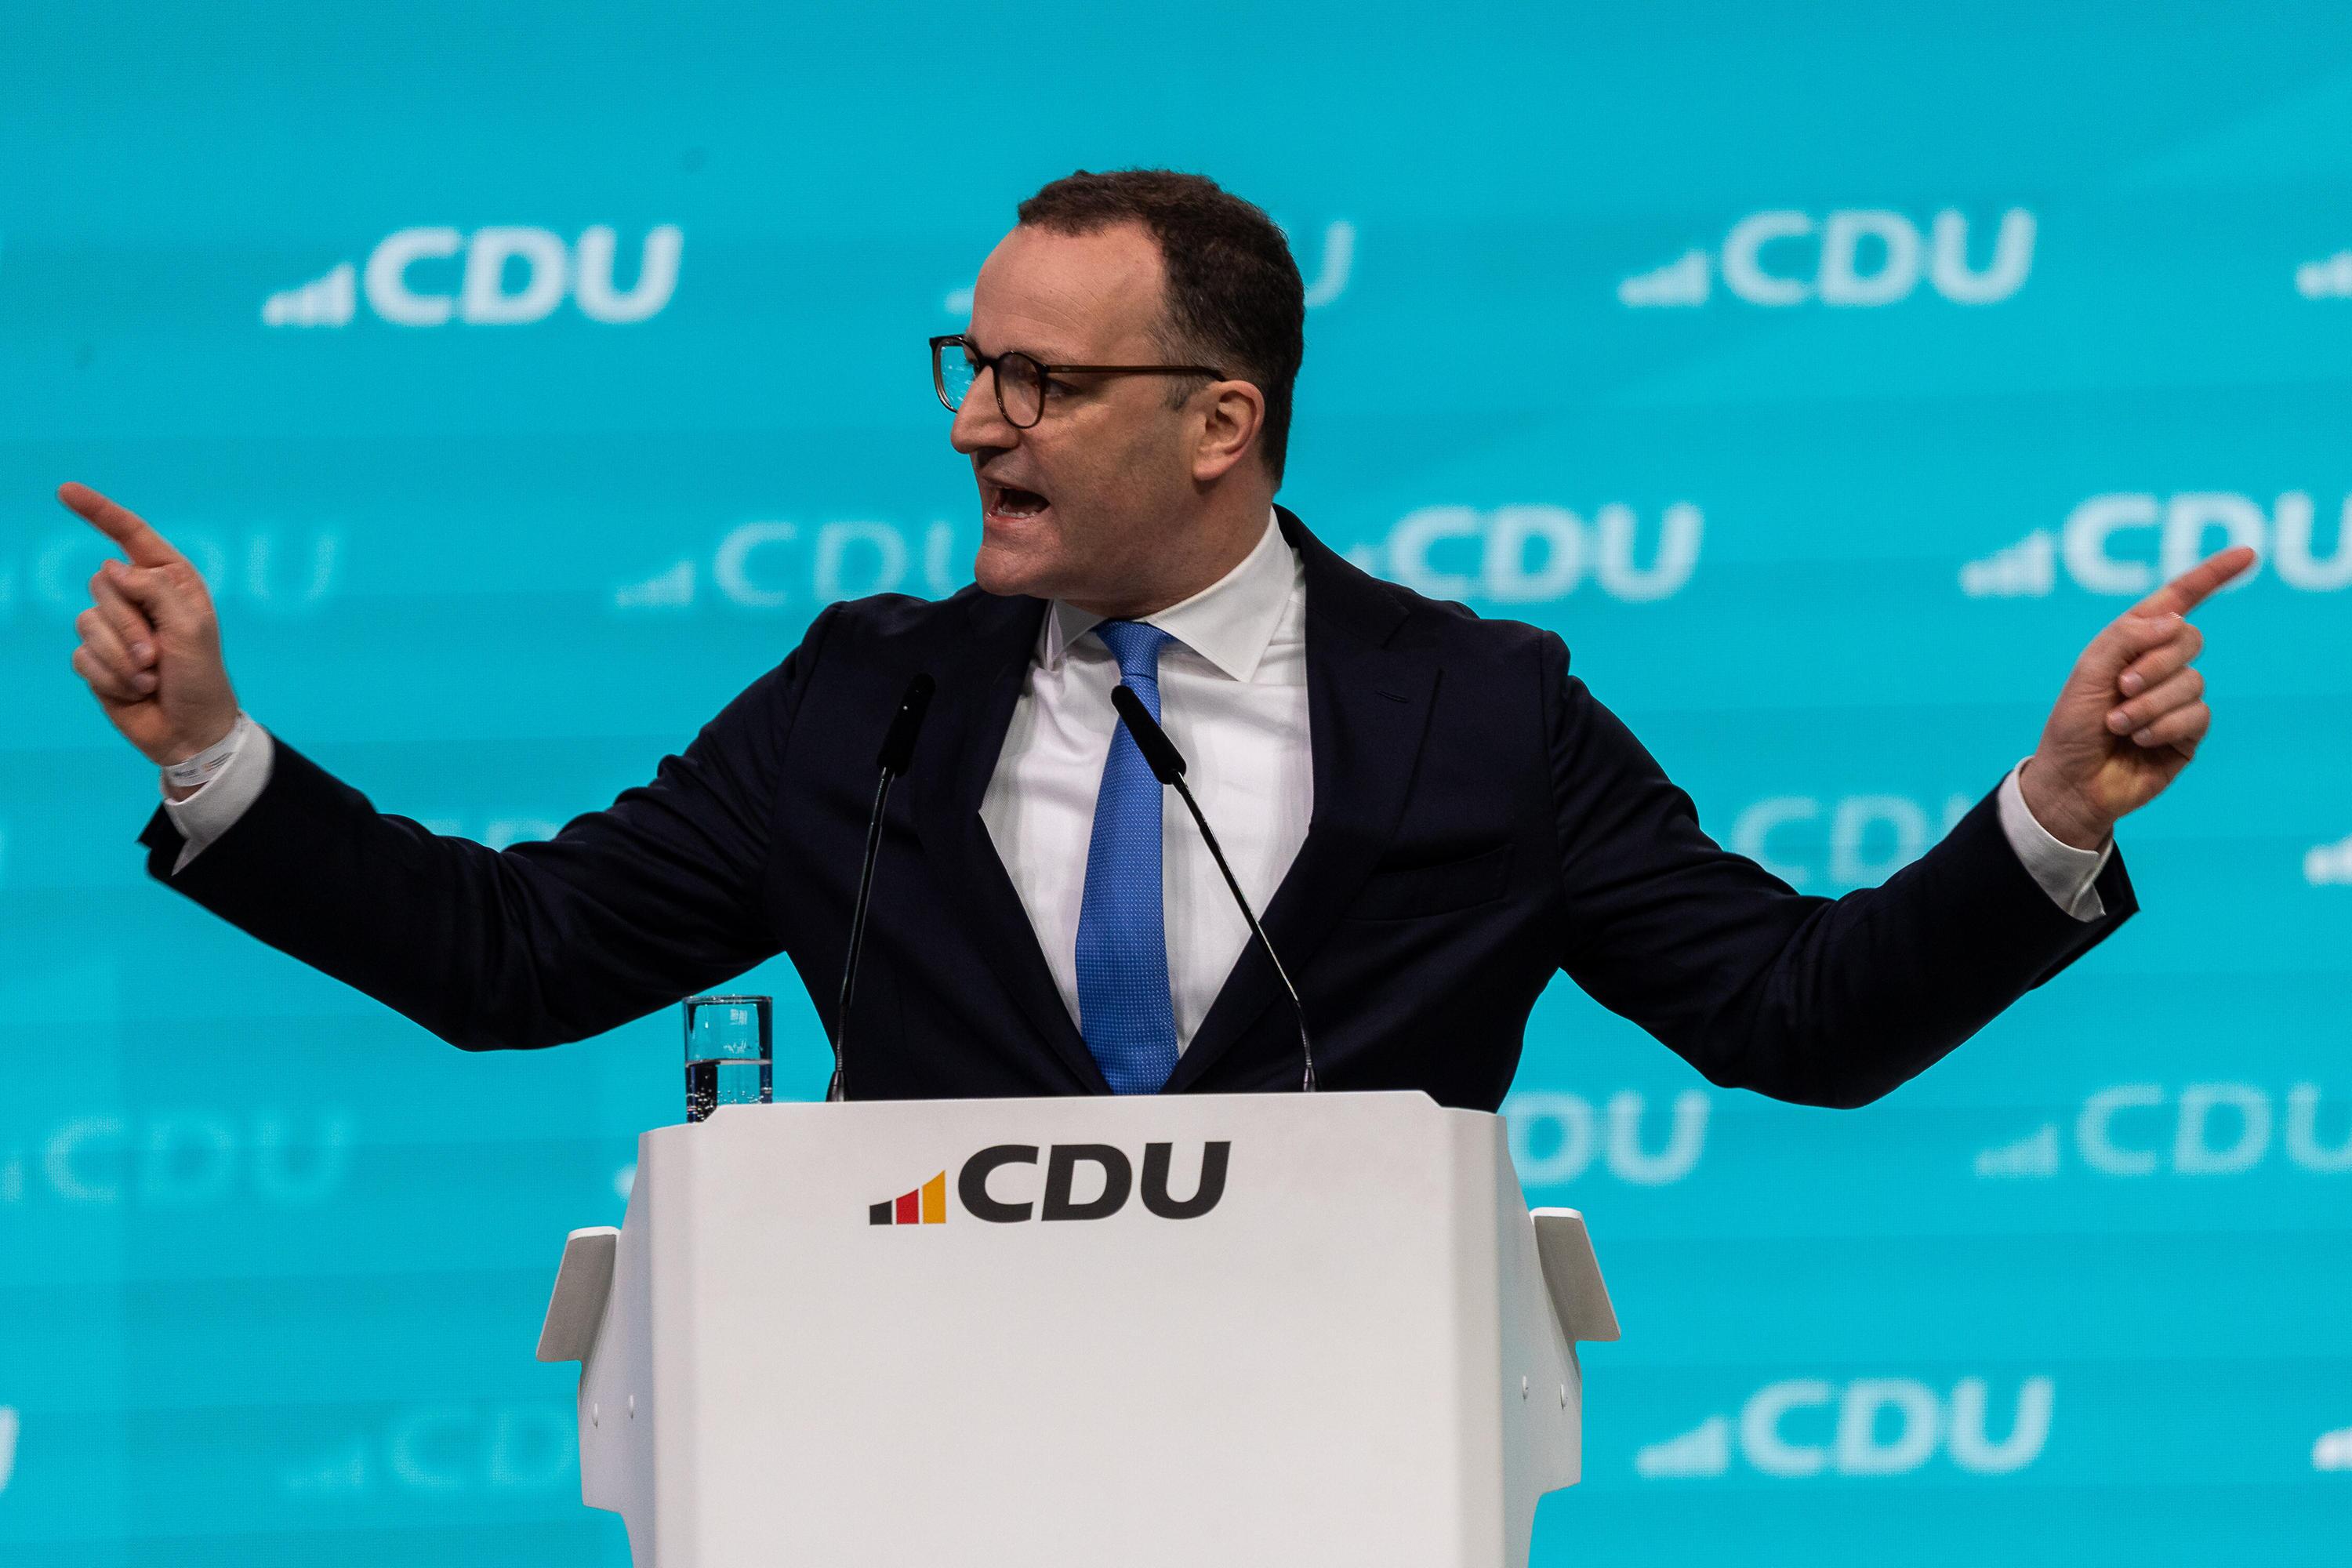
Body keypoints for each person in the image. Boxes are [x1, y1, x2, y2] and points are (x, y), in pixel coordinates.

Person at [58, 169, 2251, 1109]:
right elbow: (512, 960)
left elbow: (1798, 1015)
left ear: (1222, 423)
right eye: (970, 364)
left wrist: (2051, 816)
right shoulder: (864, 701)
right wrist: (216, 757)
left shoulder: (1477, 715)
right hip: (914, 1463)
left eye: (1038, 382)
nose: (971, 421)